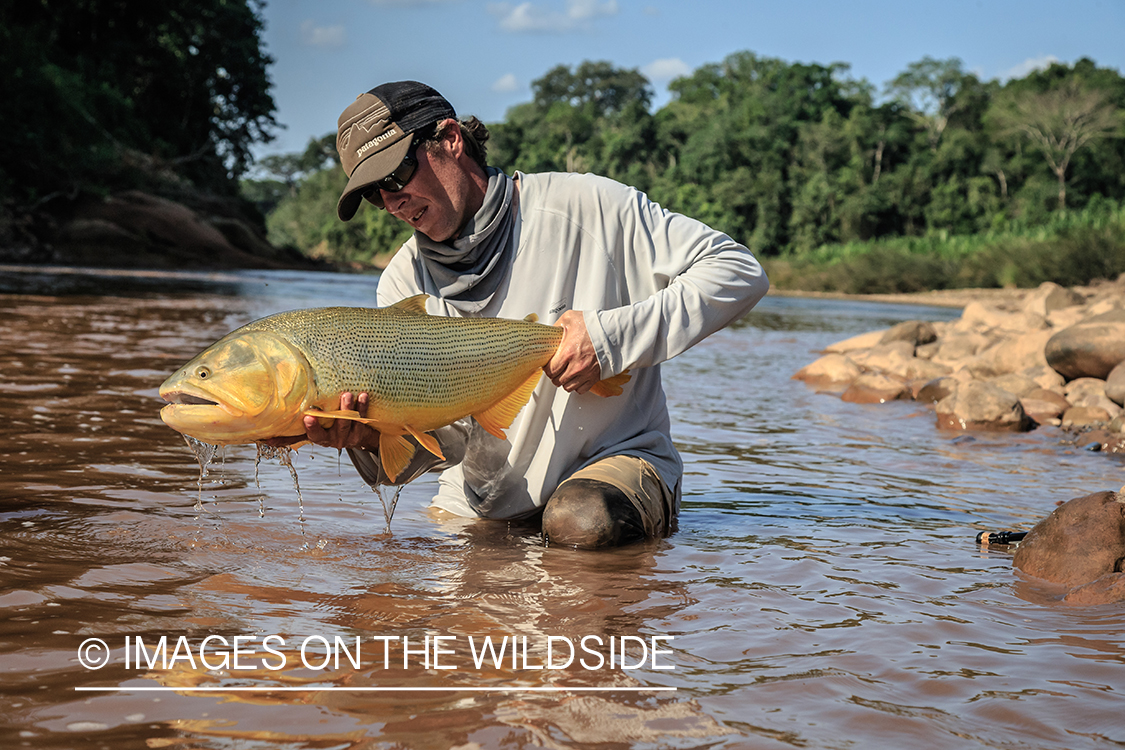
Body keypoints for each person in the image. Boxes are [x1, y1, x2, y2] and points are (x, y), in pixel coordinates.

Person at [294, 80, 769, 548]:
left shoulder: (589, 205)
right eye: (375, 194)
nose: (392, 202)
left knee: (580, 521)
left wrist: (609, 341)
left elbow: (739, 271)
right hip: (482, 499)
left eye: (396, 176)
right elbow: (449, 445)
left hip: (614, 467)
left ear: (451, 140)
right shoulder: (403, 285)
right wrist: (367, 437)